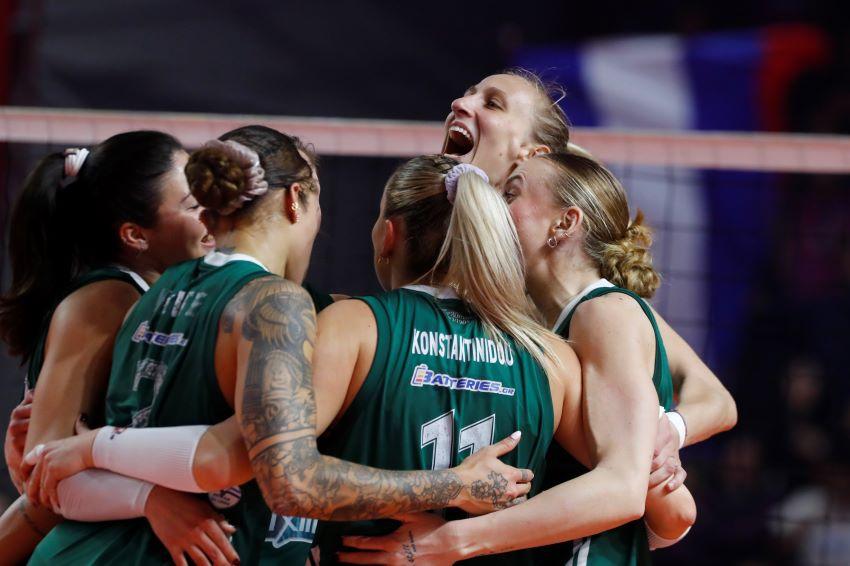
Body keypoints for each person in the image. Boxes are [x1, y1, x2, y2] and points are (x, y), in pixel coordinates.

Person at [21, 127, 533, 565]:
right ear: (294, 200)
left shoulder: (153, 293)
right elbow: (291, 481)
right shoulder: (275, 303)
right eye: (319, 202)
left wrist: (96, 450)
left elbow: (56, 469)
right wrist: (458, 484)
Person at [334, 152, 700, 564]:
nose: (489, 205)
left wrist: (450, 540)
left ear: (564, 223)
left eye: (509, 194)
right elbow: (675, 511)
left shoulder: (602, 312)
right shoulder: (539, 334)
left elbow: (633, 492)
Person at [0, 131, 237, 565]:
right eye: (192, 205)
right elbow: (42, 469)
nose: (212, 214)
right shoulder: (109, 298)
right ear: (135, 235)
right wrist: (152, 498)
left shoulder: (165, 296)